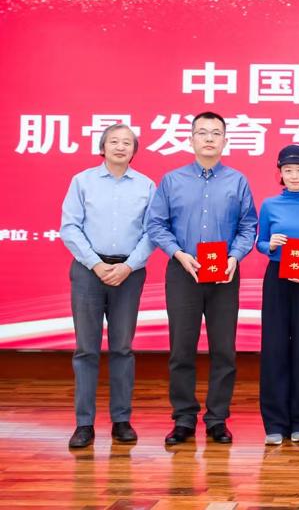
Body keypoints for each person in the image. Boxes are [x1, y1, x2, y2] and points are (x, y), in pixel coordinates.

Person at [147, 111, 258, 445]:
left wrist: (234, 257)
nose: (209, 138)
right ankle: (183, 419)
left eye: (216, 133)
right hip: (183, 272)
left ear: (225, 140)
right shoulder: (172, 180)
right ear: (191, 139)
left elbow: (248, 226)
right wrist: (178, 253)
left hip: (224, 274)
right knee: (182, 349)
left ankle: (217, 419)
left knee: (224, 350)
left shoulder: (237, 181)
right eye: (202, 132)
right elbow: (156, 224)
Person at [60, 124, 156, 448]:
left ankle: (121, 420)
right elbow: (70, 228)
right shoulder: (82, 182)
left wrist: (128, 266)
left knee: (122, 348)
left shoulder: (146, 186)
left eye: (127, 142)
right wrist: (96, 264)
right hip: (89, 271)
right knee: (86, 349)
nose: (120, 147)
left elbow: (152, 232)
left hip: (129, 273)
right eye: (113, 141)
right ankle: (84, 424)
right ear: (102, 147)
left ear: (134, 150)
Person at [255, 144, 299, 446]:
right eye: (288, 170)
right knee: (274, 348)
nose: (294, 175)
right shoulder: (269, 205)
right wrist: (270, 244)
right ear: (280, 174)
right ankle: (274, 422)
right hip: (277, 278)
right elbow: (260, 242)